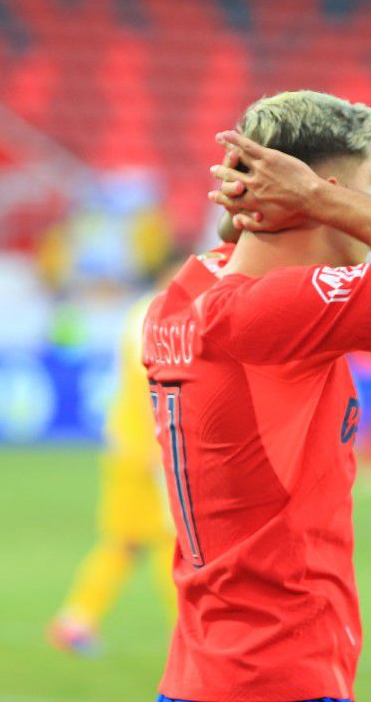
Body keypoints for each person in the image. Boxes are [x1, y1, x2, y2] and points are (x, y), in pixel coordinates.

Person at [144, 90, 371, 702]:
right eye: (368, 186)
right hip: (277, 674)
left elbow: (237, 246)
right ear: (319, 189)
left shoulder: (186, 293)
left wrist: (268, 207)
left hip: (203, 671)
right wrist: (319, 200)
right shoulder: (264, 317)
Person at [47, 249, 234, 655]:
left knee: (124, 540)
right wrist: (157, 446)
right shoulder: (158, 312)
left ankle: (76, 619)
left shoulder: (143, 312)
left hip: (127, 445)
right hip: (147, 447)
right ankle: (191, 634)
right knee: (173, 541)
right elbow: (146, 386)